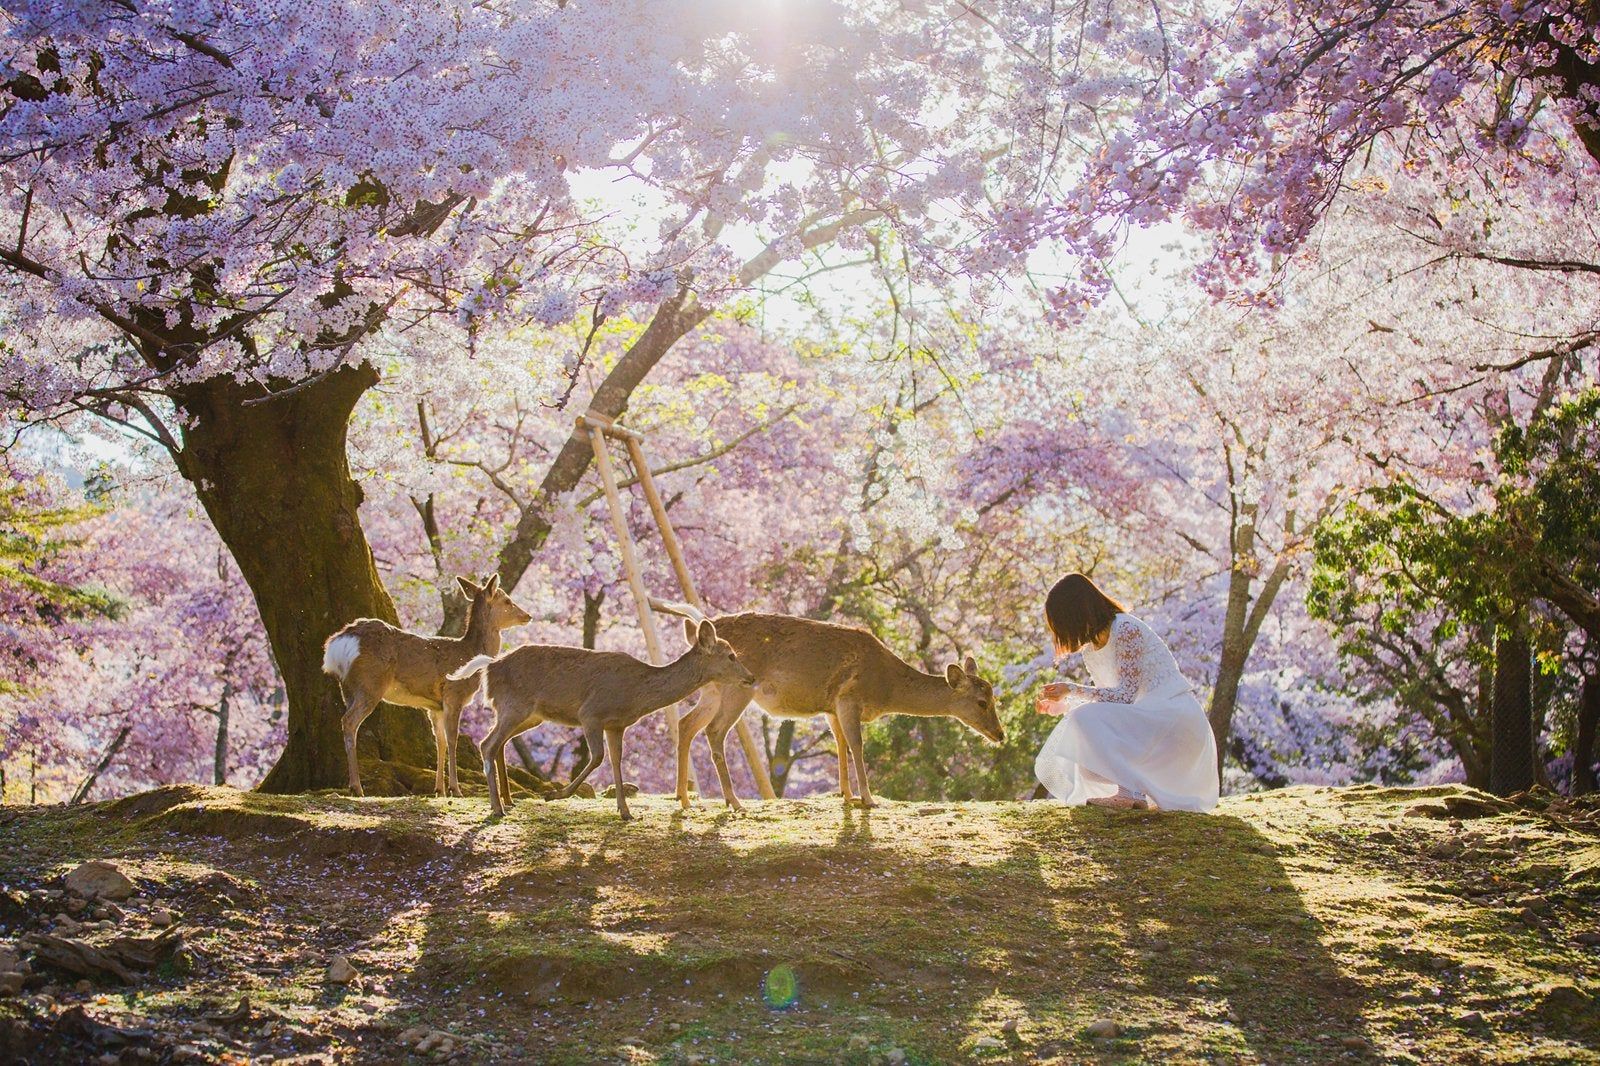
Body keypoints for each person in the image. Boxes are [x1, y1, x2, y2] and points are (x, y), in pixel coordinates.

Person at [1033, 573, 1218, 812]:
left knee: (1082, 721)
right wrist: (1063, 705)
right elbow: (1108, 702)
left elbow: (1125, 696)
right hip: (1146, 722)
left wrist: (1070, 689)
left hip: (1172, 719)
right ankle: (1134, 791)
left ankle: (1129, 793)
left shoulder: (1125, 628)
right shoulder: (1091, 651)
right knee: (1082, 750)